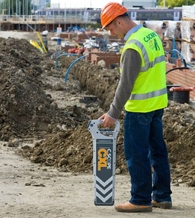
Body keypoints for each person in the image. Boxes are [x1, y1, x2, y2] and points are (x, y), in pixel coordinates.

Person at [98, 2, 172, 213]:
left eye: (111, 28)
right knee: (158, 152)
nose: (112, 33)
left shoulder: (132, 47)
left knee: (137, 154)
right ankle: (162, 196)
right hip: (157, 105)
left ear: (120, 21)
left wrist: (112, 113)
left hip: (139, 109)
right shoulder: (150, 36)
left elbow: (126, 85)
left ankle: (140, 199)